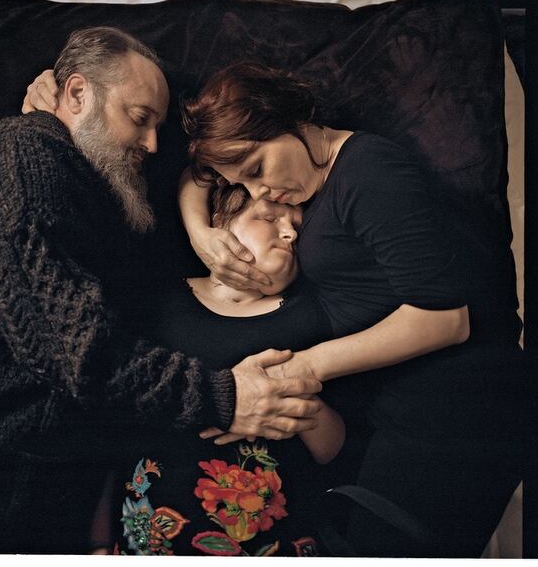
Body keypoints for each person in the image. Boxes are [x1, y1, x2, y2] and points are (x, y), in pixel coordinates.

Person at [0, 31, 323, 554]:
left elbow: (199, 169)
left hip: (56, 492)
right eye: (140, 118)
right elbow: (80, 353)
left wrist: (200, 231)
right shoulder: (20, 161)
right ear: (76, 95)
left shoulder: (86, 181)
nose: (150, 145)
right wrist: (226, 397)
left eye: (158, 127)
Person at [176, 62, 526, 557]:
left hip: (454, 404)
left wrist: (302, 368)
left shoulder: (368, 170)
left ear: (284, 119)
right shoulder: (299, 186)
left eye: (257, 171)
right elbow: (197, 175)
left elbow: (445, 317)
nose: (259, 193)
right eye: (243, 186)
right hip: (386, 411)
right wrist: (203, 235)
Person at [88, 184, 346, 556]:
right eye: (269, 218)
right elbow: (112, 430)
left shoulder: (309, 317)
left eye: (296, 227)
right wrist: (98, 540)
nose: (290, 233)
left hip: (271, 544)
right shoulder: (158, 304)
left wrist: (296, 396)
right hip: (149, 539)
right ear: (218, 226)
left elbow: (330, 449)